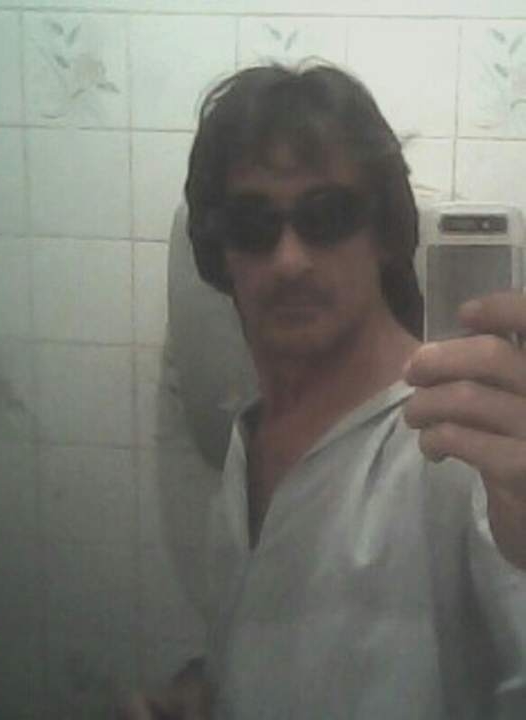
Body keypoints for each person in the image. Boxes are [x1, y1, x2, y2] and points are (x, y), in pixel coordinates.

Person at [121, 63, 526, 719]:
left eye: (328, 216)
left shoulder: (463, 448)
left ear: (385, 235)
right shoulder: (248, 437)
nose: (289, 259)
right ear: (220, 251)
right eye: (252, 224)